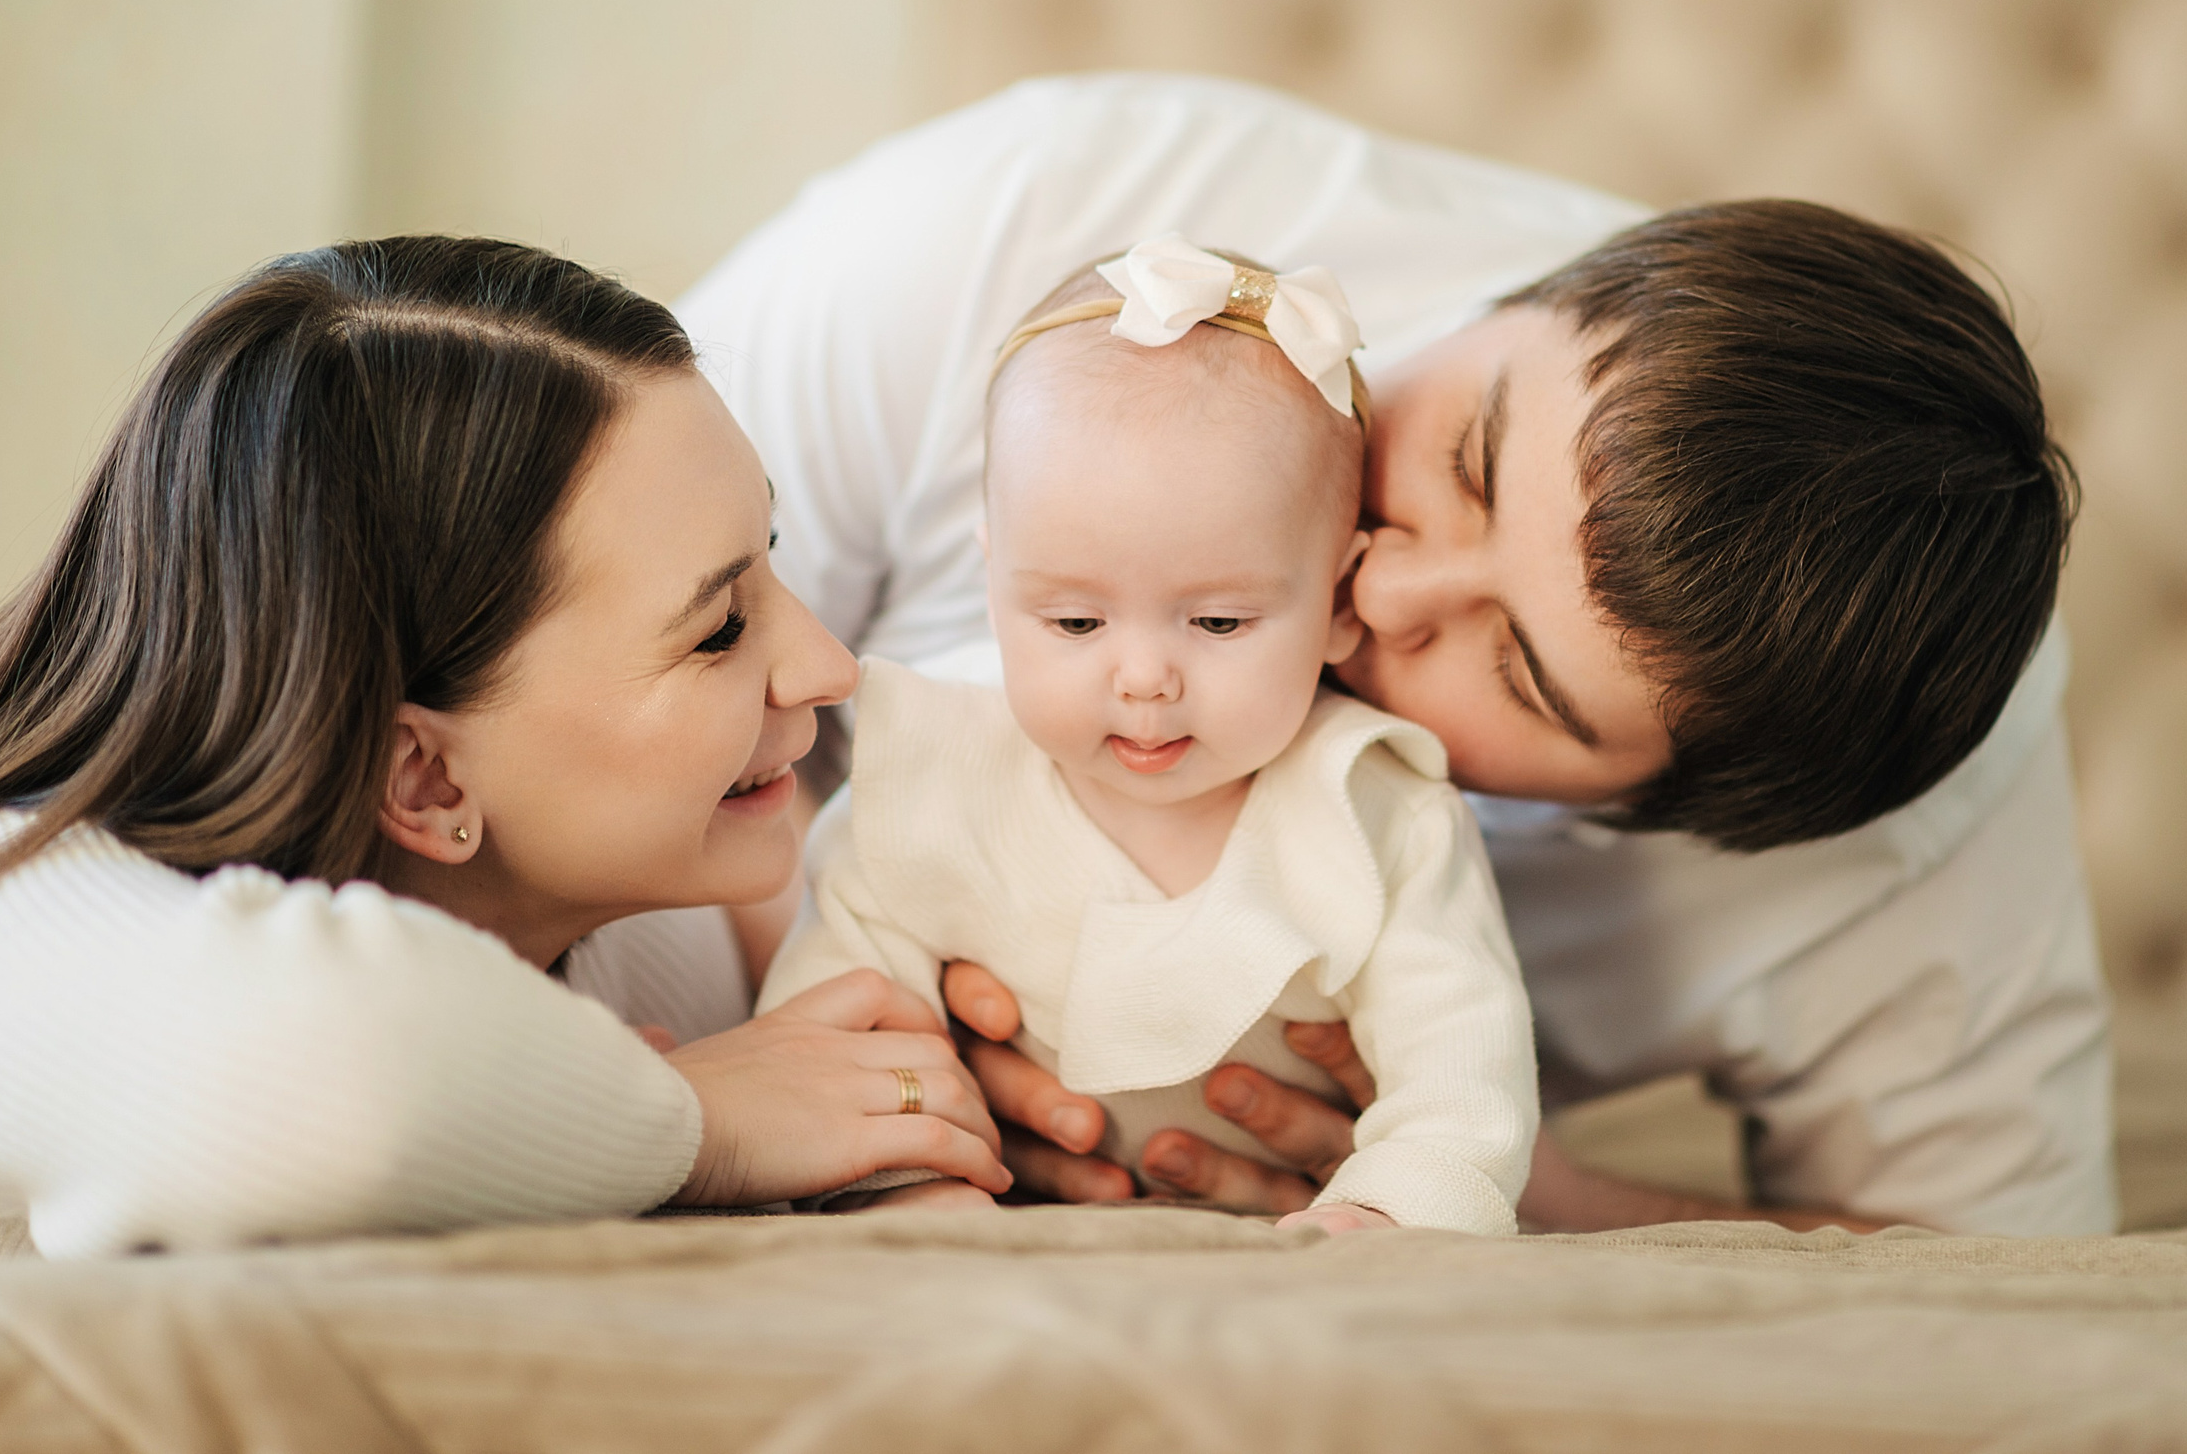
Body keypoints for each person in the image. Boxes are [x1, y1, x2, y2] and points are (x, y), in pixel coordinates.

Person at [681, 73, 2113, 1237]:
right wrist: (858, 1009)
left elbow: (1997, 1278)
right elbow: (544, 616)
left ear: (1653, 812)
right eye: (1468, 458)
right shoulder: (1026, 220)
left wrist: (1503, 1179)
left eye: (1518, 673)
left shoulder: (1917, 837)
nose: (1385, 580)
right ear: (1531, 297)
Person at [0, 237, 1010, 1258]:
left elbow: (764, 934)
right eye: (720, 628)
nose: (831, 665)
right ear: (423, 780)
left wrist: (965, 1025)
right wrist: (698, 1122)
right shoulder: (19, 913)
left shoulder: (565, 880)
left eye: (769, 558)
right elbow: (306, 1074)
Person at [763, 237, 1536, 1236]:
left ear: (1340, 600)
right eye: (1074, 622)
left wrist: (1397, 1202)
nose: (1142, 677)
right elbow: (843, 1011)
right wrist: (900, 1177)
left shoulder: (1376, 807)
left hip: (1298, 1227)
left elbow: (1463, 1058)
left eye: (1218, 622)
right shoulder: (934, 775)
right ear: (994, 580)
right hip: (1004, 1198)